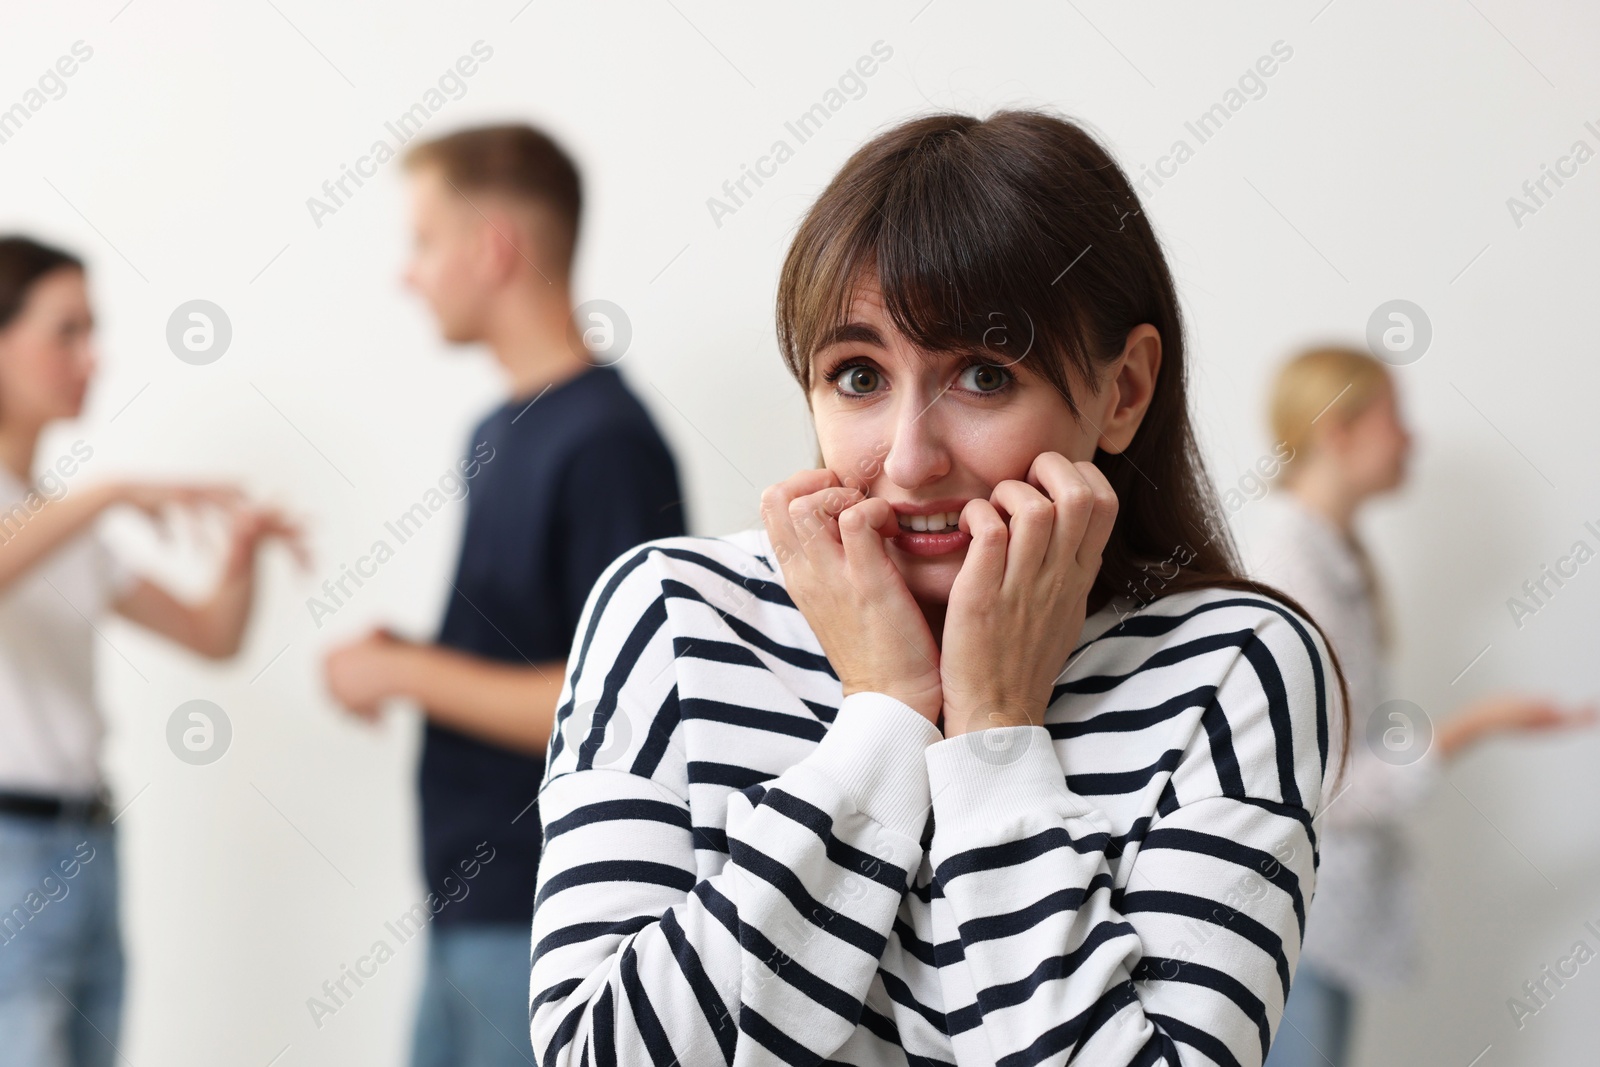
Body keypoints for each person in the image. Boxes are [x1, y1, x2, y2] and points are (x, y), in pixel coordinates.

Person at [528, 109, 1353, 1067]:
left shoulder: (1229, 664)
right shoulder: (673, 614)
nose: (911, 461)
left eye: (985, 376)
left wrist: (997, 737)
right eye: (858, 375)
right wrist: (881, 719)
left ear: (1123, 390)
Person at [321, 124, 686, 1067]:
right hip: (464, 907)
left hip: (540, 916)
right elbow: (526, 651)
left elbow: (617, 707)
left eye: (425, 241)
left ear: (494, 248)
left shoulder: (607, 442)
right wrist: (413, 658)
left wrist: (406, 671)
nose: (410, 274)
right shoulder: (497, 430)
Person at [0, 235, 302, 1066]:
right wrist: (113, 493)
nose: (89, 357)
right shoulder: (71, 515)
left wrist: (239, 558)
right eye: (67, 330)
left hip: (89, 847)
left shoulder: (62, 519)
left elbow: (212, 636)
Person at [1246, 347, 1594, 1067]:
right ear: (1337, 432)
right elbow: (1324, 788)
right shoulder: (1293, 564)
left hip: (1319, 924)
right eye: (1393, 418)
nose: (1411, 439)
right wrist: (1478, 724)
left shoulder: (1328, 551)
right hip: (1297, 923)